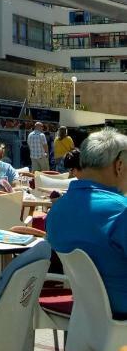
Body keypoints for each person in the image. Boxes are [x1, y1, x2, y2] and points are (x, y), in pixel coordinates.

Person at [46, 128, 127, 319]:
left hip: (84, 315)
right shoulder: (121, 211)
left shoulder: (56, 211)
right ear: (119, 165)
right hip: (120, 316)